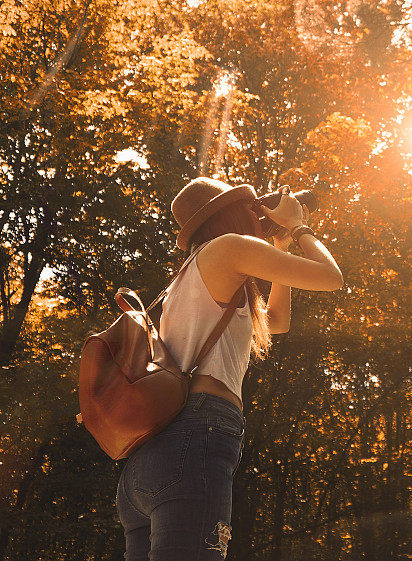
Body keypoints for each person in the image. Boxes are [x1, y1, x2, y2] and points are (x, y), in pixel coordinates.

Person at [115, 177, 343, 560]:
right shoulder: (229, 248)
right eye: (252, 208)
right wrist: (299, 226)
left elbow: (276, 321)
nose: (258, 215)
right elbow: (330, 277)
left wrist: (279, 244)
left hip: (148, 462)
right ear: (233, 213)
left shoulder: (189, 276)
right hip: (197, 437)